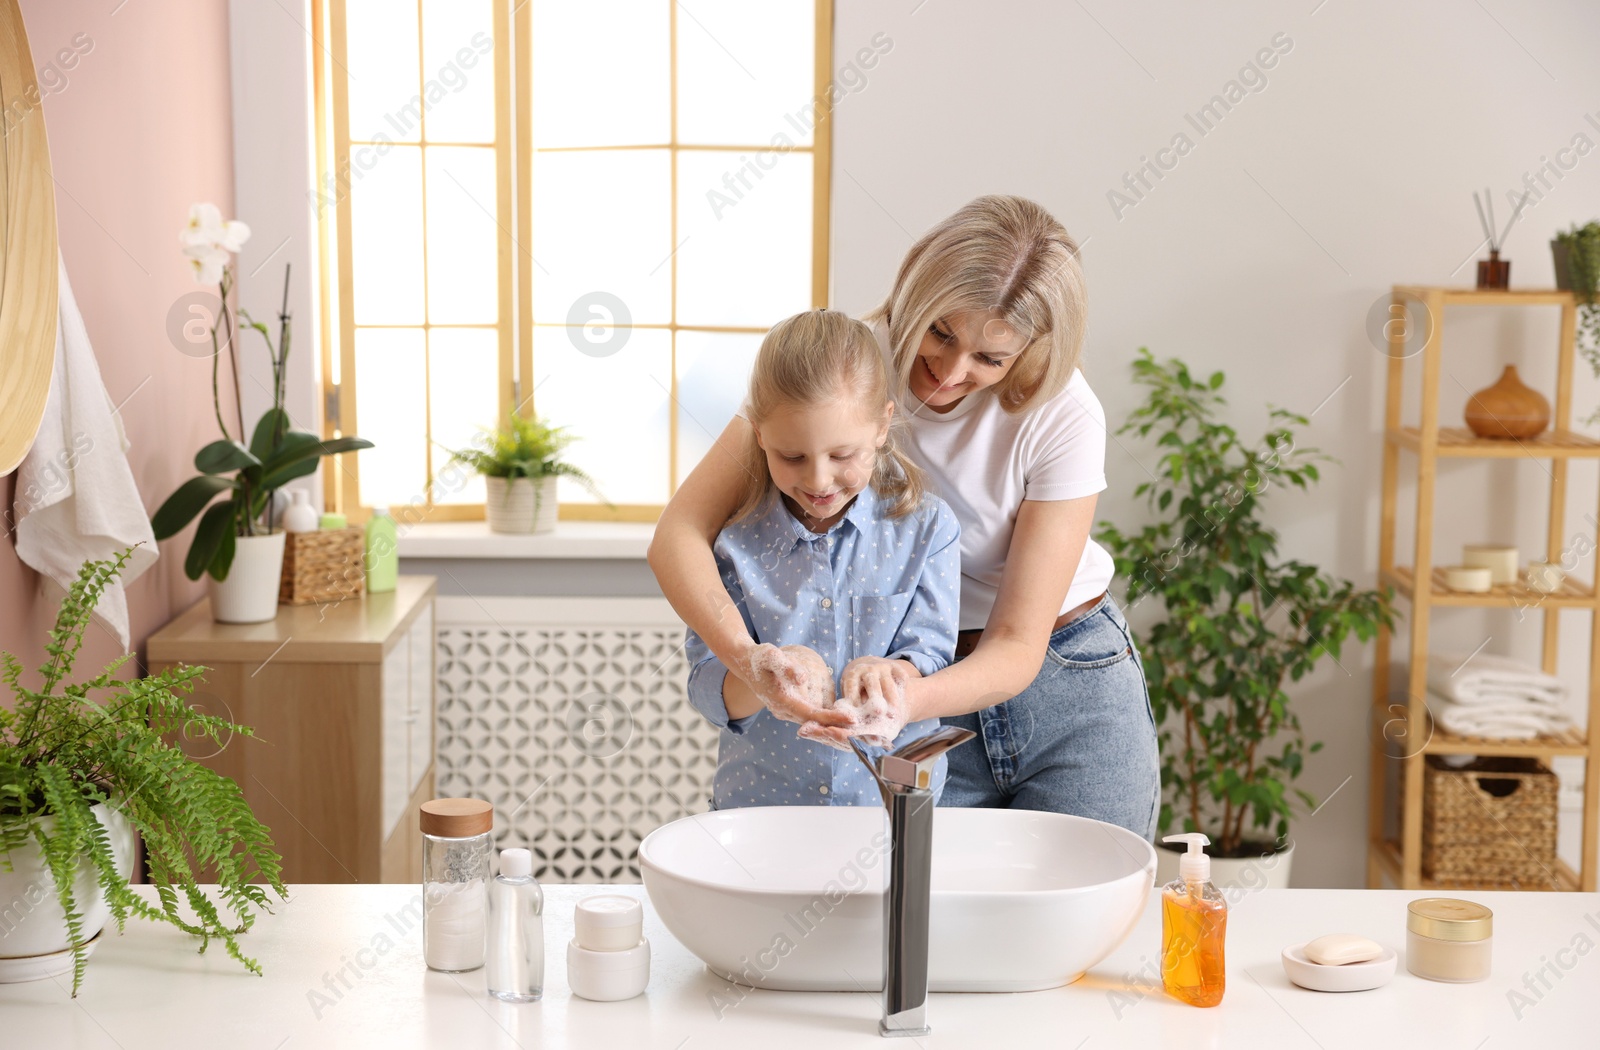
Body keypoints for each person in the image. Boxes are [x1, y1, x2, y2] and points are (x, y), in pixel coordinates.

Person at [651, 196, 1159, 838]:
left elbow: (1015, 646)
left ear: (1032, 349)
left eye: (989, 359)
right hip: (915, 686)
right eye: (940, 332)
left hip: (1061, 675)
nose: (948, 374)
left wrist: (898, 703)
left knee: (1084, 904)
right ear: (914, 286)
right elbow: (678, 536)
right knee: (932, 922)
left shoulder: (1064, 415)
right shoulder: (841, 370)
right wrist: (752, 662)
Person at [681, 309, 961, 810]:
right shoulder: (733, 546)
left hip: (891, 809)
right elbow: (705, 686)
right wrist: (763, 676)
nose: (818, 480)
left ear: (883, 425)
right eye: (792, 457)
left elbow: (934, 654)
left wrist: (891, 673)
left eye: (842, 455)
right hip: (761, 812)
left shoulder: (928, 529)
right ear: (759, 435)